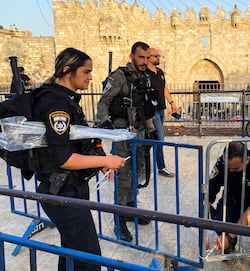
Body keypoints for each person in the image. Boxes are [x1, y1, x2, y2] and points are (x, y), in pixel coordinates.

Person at [34, 47, 126, 271]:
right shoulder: (56, 104)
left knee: (72, 252)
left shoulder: (66, 99)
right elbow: (62, 157)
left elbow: (80, 139)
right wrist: (105, 162)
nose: (91, 77)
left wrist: (101, 157)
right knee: (89, 259)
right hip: (61, 192)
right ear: (68, 71)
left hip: (70, 188)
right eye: (86, 71)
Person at [96, 41, 155, 242]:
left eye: (147, 58)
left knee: (137, 172)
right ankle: (119, 220)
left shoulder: (145, 78)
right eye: (141, 57)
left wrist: (151, 130)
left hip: (138, 132)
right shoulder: (119, 76)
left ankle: (131, 209)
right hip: (121, 133)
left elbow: (143, 107)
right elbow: (103, 101)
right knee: (123, 176)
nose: (145, 61)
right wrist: (104, 121)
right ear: (132, 57)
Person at [146, 47, 178, 177]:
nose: (158, 58)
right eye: (156, 56)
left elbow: (164, 87)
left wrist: (172, 103)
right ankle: (161, 167)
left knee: (155, 138)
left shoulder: (159, 72)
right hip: (151, 111)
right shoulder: (145, 74)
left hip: (160, 109)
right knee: (160, 137)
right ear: (148, 58)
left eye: (159, 56)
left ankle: (151, 164)